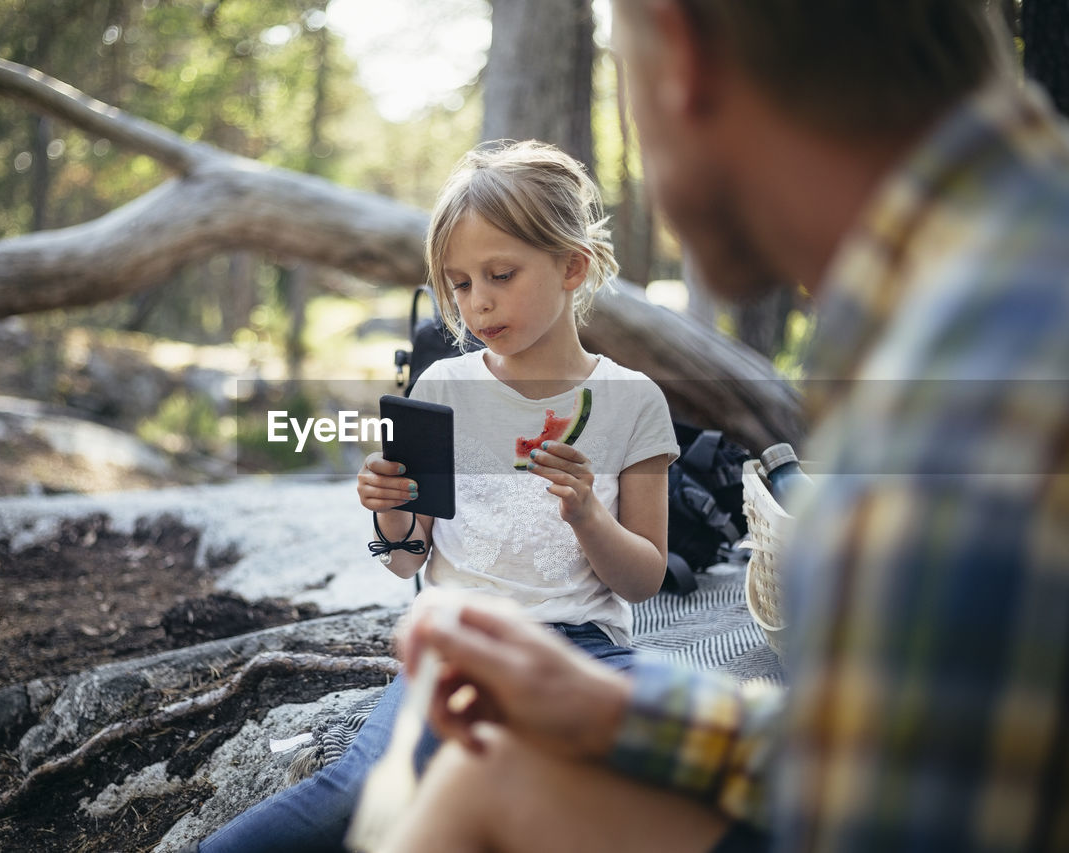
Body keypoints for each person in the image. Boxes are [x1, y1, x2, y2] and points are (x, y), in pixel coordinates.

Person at [386, 1, 1069, 852]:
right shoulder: (990, 274)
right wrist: (611, 708)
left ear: (681, 54)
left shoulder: (974, 375)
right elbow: (901, 744)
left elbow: (888, 819)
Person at [194, 140, 680, 852]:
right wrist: (386, 504)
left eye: (500, 274)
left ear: (572, 266)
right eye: (458, 283)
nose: (476, 302)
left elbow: (644, 577)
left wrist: (588, 516)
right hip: (459, 643)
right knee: (367, 786)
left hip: (584, 650)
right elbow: (405, 557)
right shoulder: (443, 390)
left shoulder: (633, 402)